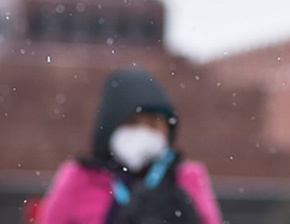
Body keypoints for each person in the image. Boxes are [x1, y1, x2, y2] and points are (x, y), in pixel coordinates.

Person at [36, 67, 221, 224]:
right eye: (133, 123)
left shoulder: (185, 178)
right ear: (110, 126)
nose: (143, 132)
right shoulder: (80, 178)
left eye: (153, 125)